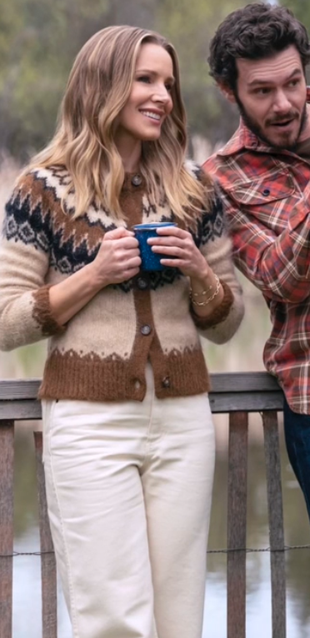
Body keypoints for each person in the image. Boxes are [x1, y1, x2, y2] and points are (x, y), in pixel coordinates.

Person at [0, 25, 244, 638]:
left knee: (179, 615)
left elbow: (230, 321)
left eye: (168, 82)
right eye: (145, 79)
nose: (162, 94)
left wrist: (198, 274)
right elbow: (5, 322)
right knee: (114, 618)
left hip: (185, 422)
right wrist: (93, 275)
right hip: (89, 424)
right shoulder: (42, 190)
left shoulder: (195, 192)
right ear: (102, 85)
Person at [204, 2, 310, 519]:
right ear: (230, 91)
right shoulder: (220, 180)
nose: (285, 103)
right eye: (263, 91)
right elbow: (279, 276)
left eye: (293, 82)